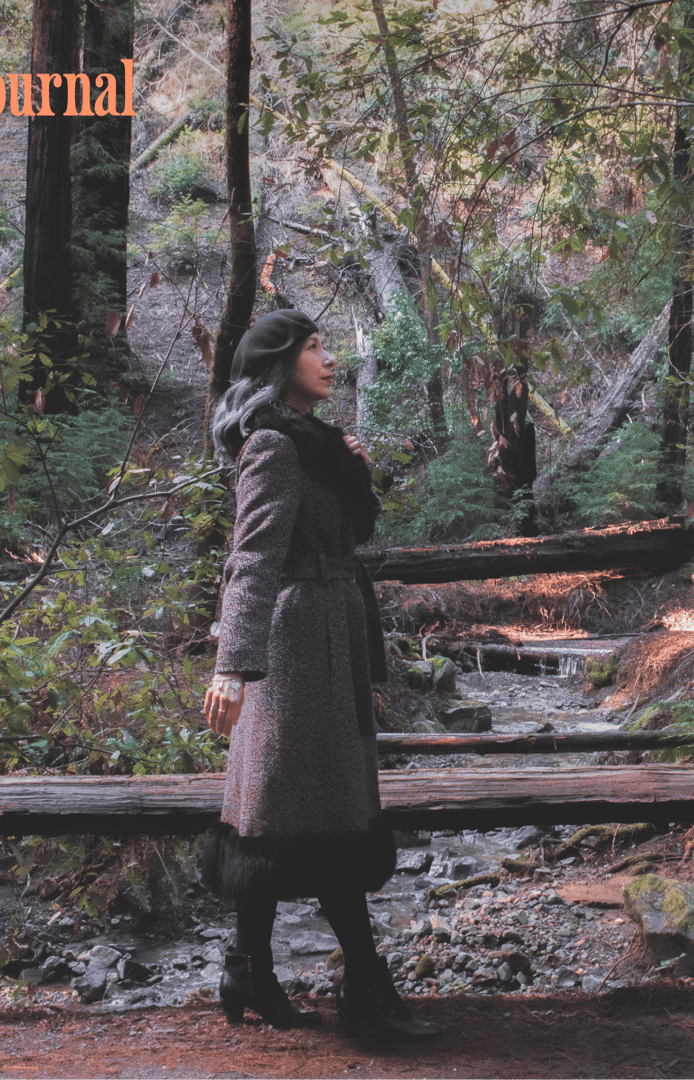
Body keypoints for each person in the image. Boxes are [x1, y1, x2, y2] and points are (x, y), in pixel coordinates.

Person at [198, 308, 439, 1040]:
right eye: (314, 348)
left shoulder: (316, 444)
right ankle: (363, 988)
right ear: (280, 364)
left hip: (328, 635)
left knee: (282, 816)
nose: (330, 360)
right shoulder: (273, 446)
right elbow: (252, 559)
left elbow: (350, 535)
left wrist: (353, 469)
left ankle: (251, 970)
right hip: (294, 650)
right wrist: (234, 668)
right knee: (304, 815)